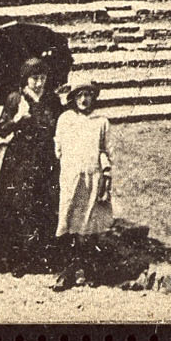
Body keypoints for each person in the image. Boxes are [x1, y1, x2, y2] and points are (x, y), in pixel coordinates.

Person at [0, 56, 62, 275]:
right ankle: (13, 259)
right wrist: (18, 118)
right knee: (16, 206)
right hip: (19, 160)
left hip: (45, 159)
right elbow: (2, 130)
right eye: (34, 78)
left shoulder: (52, 100)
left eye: (42, 77)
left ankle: (38, 259)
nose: (38, 82)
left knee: (43, 205)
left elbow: (60, 126)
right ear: (25, 79)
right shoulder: (15, 99)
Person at [52, 80, 114, 289]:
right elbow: (58, 148)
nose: (84, 100)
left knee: (89, 224)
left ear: (93, 98)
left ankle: (88, 270)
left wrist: (105, 174)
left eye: (87, 95)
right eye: (79, 95)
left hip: (93, 177)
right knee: (68, 221)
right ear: (73, 98)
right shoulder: (66, 120)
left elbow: (106, 151)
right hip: (71, 178)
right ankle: (67, 271)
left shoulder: (101, 122)